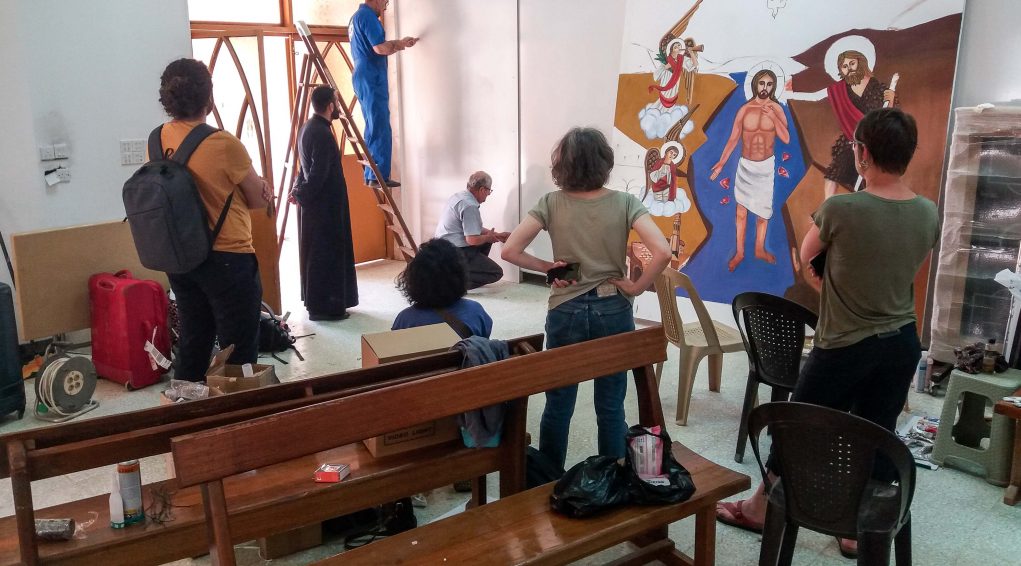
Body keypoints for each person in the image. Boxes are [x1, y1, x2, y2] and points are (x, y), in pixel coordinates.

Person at [715, 108, 939, 559]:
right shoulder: (927, 211)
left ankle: (760, 506)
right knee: (877, 432)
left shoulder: (841, 207)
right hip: (901, 343)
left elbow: (807, 257)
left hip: (845, 343)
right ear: (907, 155)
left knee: (795, 426)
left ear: (862, 154)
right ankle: (858, 528)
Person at [502, 127, 671, 469]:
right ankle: (609, 478)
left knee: (558, 403)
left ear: (561, 165)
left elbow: (509, 250)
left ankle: (550, 477)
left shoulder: (550, 202)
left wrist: (548, 267)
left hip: (566, 309)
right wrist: (636, 287)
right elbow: (663, 252)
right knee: (611, 405)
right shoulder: (625, 202)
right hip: (613, 308)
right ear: (604, 162)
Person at [155, 58, 272, 381]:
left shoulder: (157, 139)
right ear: (208, 97)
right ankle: (237, 408)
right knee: (238, 347)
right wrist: (263, 186)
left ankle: (187, 405)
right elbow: (257, 199)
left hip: (181, 257)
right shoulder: (222, 144)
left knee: (194, 339)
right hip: (228, 258)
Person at [710, 69, 790, 272]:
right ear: (755, 85)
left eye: (769, 84)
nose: (765, 88)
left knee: (763, 213)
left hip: (765, 167)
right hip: (746, 166)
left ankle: (759, 249)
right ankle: (739, 253)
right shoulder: (745, 109)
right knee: (741, 212)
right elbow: (733, 138)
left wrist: (773, 117)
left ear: (773, 87)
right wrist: (721, 163)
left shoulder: (776, 109)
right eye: (762, 83)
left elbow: (786, 138)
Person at [291, 86, 359, 321]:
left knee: (317, 255)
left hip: (316, 206)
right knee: (326, 257)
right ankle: (326, 308)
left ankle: (324, 305)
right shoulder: (322, 133)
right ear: (330, 106)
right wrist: (301, 193)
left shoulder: (307, 128)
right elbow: (317, 174)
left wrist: (297, 191)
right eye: (336, 103)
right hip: (325, 208)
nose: (338, 107)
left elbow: (303, 169)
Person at [349, 0, 418, 188]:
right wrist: (400, 44)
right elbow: (380, 48)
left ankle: (372, 174)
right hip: (371, 76)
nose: (386, 4)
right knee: (380, 125)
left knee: (372, 125)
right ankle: (378, 175)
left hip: (363, 74)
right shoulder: (367, 16)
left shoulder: (356, 17)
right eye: (385, 0)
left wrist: (399, 43)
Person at [393, 238, 492, 338]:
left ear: (414, 278)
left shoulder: (405, 320)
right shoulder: (475, 311)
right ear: (460, 275)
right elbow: (483, 340)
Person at [434, 171, 510, 290]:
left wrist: (497, 235)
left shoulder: (459, 196)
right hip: (453, 251)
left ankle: (461, 270)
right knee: (496, 273)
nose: (488, 195)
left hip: (442, 247)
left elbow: (473, 229)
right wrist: (488, 238)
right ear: (482, 189)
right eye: (489, 191)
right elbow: (472, 240)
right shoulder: (470, 206)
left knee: (486, 241)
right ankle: (451, 283)